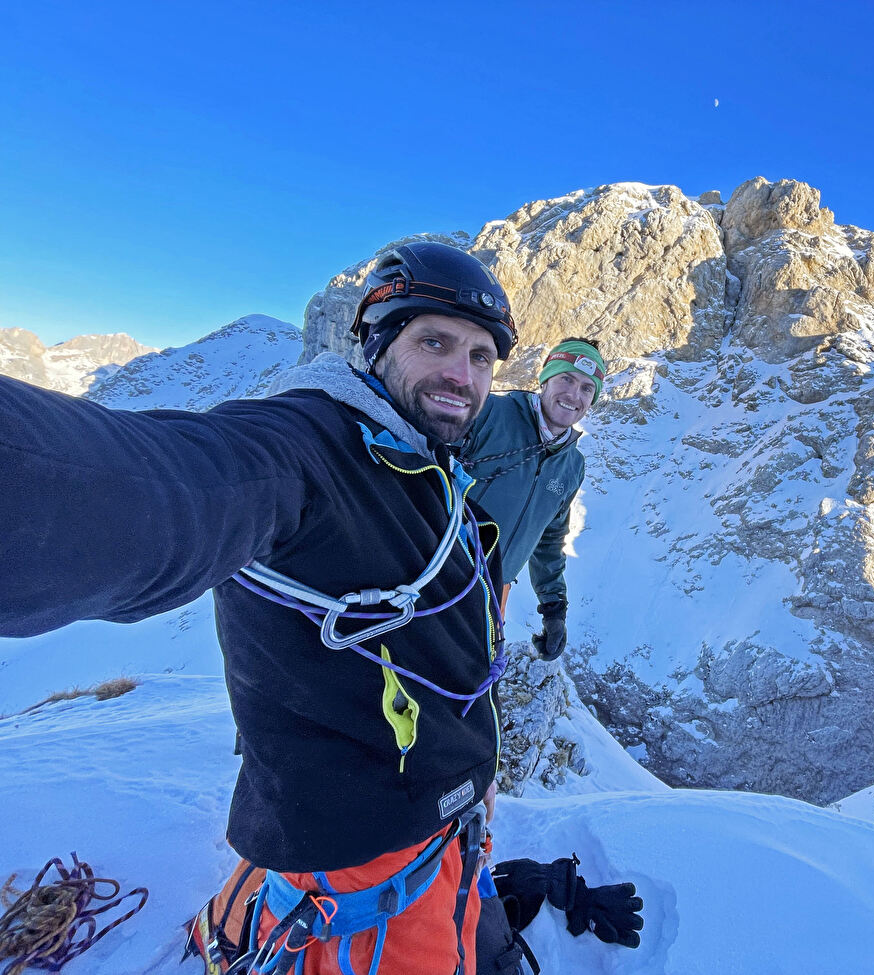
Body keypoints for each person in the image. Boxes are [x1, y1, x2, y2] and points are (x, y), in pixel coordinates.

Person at [0, 242, 520, 974]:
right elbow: (166, 484)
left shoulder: (419, 459)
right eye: (434, 342)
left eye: (479, 357)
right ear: (376, 343)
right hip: (367, 865)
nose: (460, 376)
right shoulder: (305, 445)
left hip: (437, 828)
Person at [459, 338, 605, 660]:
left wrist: (554, 609)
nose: (573, 395)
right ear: (545, 378)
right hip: (438, 566)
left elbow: (549, 537)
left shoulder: (571, 466)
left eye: (586, 389)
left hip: (493, 592)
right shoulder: (490, 414)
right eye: (566, 379)